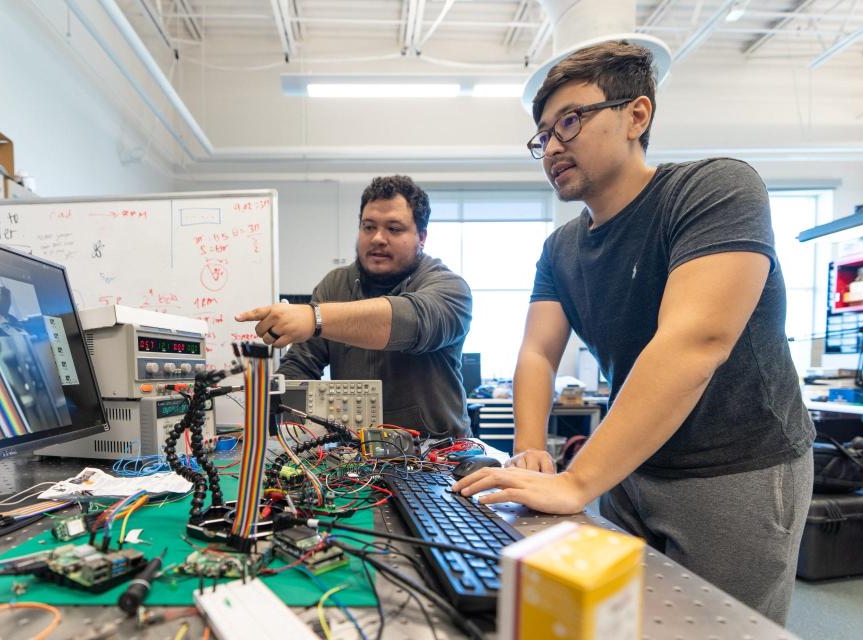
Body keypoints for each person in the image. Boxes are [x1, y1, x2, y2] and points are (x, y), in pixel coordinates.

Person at [452, 41, 814, 626]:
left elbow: (694, 344)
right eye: (542, 135)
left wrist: (578, 482)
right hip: (630, 466)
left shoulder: (715, 190)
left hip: (738, 468)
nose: (552, 147)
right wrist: (531, 450)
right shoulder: (561, 247)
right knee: (626, 621)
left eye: (569, 120)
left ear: (636, 115)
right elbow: (538, 351)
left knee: (720, 630)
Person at [236, 175, 473, 438]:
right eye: (368, 227)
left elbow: (411, 320)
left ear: (422, 236)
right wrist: (272, 416)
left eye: (394, 229)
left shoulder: (449, 288)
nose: (378, 238)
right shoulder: (335, 285)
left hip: (437, 455)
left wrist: (315, 318)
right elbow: (301, 366)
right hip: (356, 459)